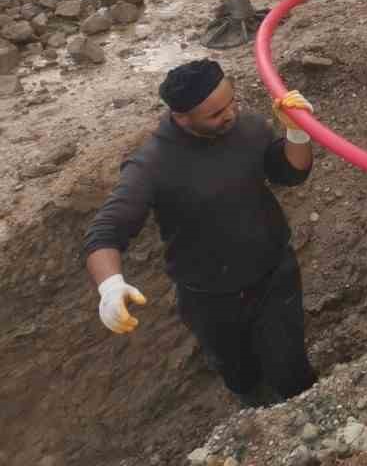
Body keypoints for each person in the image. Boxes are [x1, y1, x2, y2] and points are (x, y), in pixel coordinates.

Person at [83, 59, 317, 405]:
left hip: (273, 276)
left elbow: (290, 173)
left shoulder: (248, 129)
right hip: (211, 298)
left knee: (290, 366)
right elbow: (105, 232)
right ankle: (258, 420)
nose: (231, 114)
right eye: (215, 113)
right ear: (181, 118)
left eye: (231, 102)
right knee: (240, 373)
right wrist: (110, 286)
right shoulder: (153, 165)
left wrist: (298, 132)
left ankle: (313, 418)